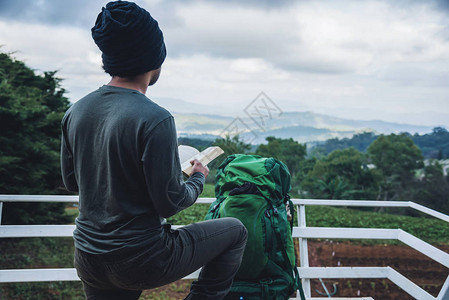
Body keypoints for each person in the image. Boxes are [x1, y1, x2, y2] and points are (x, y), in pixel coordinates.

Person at [60, 1, 248, 299]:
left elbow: (72, 182)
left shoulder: (76, 111)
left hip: (89, 257)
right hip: (141, 258)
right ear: (154, 59)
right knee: (235, 231)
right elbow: (170, 203)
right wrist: (197, 177)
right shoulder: (155, 118)